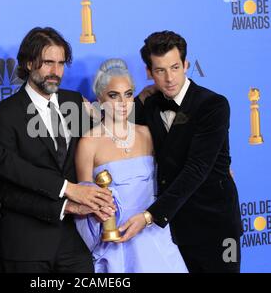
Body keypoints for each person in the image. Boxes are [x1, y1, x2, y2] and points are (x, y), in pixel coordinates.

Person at [0, 35, 112, 272]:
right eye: (47, 62)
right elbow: (3, 165)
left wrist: (142, 102)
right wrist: (67, 190)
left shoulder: (75, 104)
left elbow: (110, 139)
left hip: (56, 240)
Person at [0, 27, 115, 273]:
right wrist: (66, 206)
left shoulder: (75, 103)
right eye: (47, 63)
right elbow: (5, 191)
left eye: (60, 64)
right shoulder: (4, 115)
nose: (55, 72)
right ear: (28, 63)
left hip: (75, 242)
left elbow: (102, 149)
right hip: (27, 246)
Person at [131, 30, 243, 273]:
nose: (169, 78)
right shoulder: (149, 105)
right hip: (176, 229)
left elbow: (197, 168)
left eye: (175, 67)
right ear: (149, 73)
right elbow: (115, 128)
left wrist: (151, 216)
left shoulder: (213, 104)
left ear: (186, 65)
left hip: (217, 226)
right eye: (160, 71)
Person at [73, 58, 188, 273]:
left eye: (128, 94)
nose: (123, 103)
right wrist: (102, 218)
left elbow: (174, 176)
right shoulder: (89, 143)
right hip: (117, 243)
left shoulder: (147, 134)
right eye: (113, 95)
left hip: (154, 234)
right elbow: (83, 204)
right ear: (100, 98)